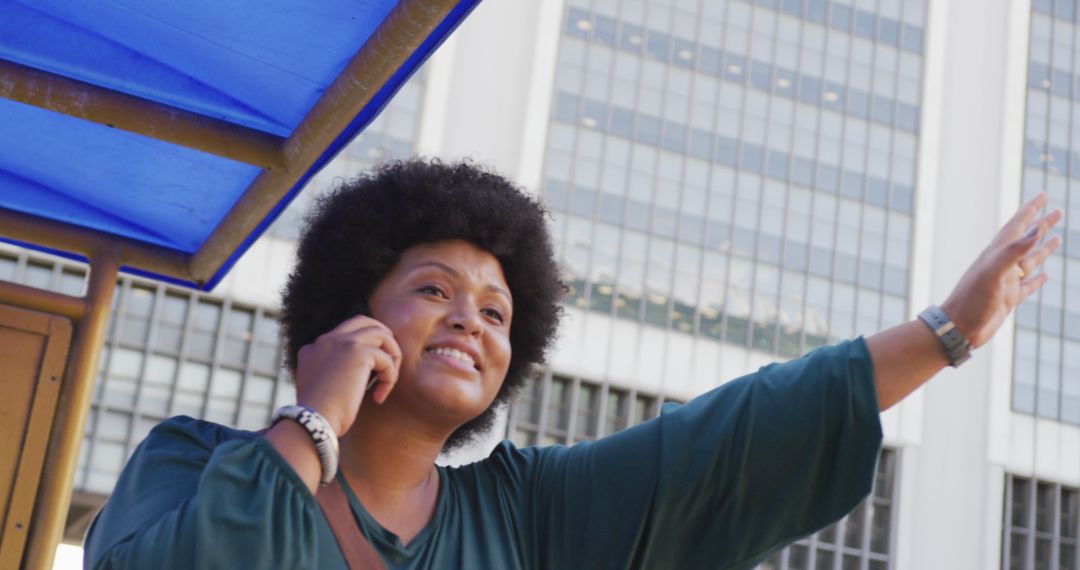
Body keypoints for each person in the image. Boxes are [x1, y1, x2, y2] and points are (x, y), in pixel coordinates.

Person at [83, 159, 1063, 569]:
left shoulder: (527, 515)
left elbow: (734, 438)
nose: (471, 319)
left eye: (498, 310)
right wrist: (313, 426)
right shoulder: (189, 463)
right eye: (433, 290)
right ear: (350, 313)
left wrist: (948, 331)